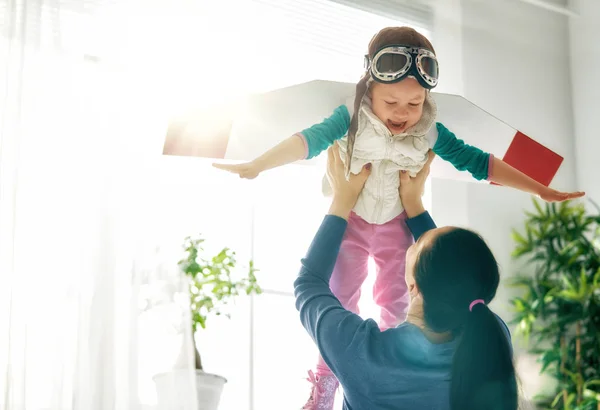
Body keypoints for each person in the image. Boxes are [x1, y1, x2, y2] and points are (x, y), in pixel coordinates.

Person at [214, 26, 583, 408]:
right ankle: (325, 381)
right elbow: (307, 141)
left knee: (393, 298)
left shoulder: (430, 133)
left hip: (390, 223)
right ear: (368, 89)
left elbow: (479, 161)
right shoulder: (350, 119)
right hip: (356, 222)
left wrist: (537, 186)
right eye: (391, 102)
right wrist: (260, 163)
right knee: (344, 294)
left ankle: (360, 362)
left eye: (415, 104)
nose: (403, 114)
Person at [294, 145, 518, 410]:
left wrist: (341, 201)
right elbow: (446, 271)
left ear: (414, 286)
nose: (415, 239)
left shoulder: (363, 353)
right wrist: (415, 205)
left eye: (417, 245)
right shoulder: (491, 340)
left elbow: (308, 284)